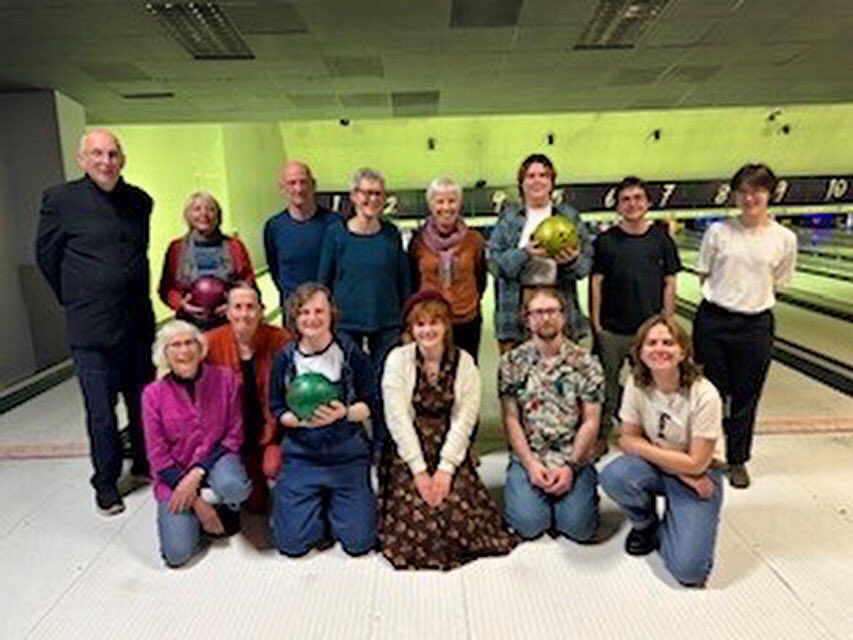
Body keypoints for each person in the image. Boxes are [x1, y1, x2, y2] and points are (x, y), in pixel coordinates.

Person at [36, 129, 155, 516]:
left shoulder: (139, 201)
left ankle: (143, 464)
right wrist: (78, 298)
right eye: (98, 154)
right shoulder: (60, 200)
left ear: (123, 158)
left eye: (113, 154)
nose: (106, 161)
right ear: (82, 159)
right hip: (91, 328)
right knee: (102, 414)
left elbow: (140, 257)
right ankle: (106, 483)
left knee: (142, 404)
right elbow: (47, 259)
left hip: (136, 323)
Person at [380, 290, 518, 570]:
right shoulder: (398, 360)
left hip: (449, 449)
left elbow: (464, 420)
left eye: (435, 323)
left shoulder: (464, 363)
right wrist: (419, 471)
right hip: (410, 451)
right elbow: (398, 419)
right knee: (420, 524)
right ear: (411, 329)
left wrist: (446, 469)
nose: (427, 330)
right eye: (420, 324)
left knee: (459, 517)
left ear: (446, 326)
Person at [692, 163, 797, 489]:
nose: (750, 198)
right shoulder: (718, 232)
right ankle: (705, 455)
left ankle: (738, 460)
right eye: (744, 191)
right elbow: (704, 273)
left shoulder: (784, 238)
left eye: (758, 191)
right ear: (735, 194)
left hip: (756, 326)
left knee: (746, 397)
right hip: (714, 321)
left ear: (769, 194)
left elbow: (779, 279)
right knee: (708, 394)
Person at [600, 315, 724, 587]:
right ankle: (646, 525)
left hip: (703, 477)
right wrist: (682, 471)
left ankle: (678, 521)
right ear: (640, 352)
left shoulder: (705, 395)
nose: (659, 349)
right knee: (614, 475)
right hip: (675, 470)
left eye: (668, 342)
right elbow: (626, 440)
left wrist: (686, 469)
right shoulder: (636, 383)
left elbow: (698, 463)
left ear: (683, 351)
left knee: (689, 572)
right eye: (651, 343)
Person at [269, 284, 378, 557]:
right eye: (304, 312)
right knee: (291, 545)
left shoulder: (351, 353)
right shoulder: (285, 358)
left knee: (359, 543)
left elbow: (372, 403)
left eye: (319, 310)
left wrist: (345, 413)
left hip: (346, 455)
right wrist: (299, 421)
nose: (312, 318)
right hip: (302, 456)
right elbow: (277, 407)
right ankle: (319, 505)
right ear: (294, 317)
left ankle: (337, 503)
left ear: (332, 314)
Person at [142, 321, 252, 568]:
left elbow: (234, 435)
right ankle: (199, 514)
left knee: (235, 486)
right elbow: (158, 456)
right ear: (165, 354)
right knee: (178, 555)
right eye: (175, 345)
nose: (184, 351)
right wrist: (199, 506)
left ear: (200, 347)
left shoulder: (225, 379)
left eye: (189, 342)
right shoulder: (152, 395)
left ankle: (227, 507)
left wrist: (198, 472)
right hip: (174, 474)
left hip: (216, 460)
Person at [498, 287, 604, 542]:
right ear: (528, 319)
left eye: (551, 311)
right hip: (531, 455)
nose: (545, 318)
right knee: (530, 526)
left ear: (563, 316)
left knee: (579, 529)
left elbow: (591, 421)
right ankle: (535, 494)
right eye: (538, 312)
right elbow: (511, 418)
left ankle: (573, 494)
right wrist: (531, 464)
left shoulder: (586, 363)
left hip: (573, 456)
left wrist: (570, 467)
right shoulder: (512, 362)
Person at [590, 176, 681, 442]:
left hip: (649, 330)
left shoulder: (661, 240)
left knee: (651, 385)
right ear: (617, 206)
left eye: (638, 198)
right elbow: (597, 283)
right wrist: (596, 325)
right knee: (605, 386)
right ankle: (602, 434)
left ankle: (652, 434)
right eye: (625, 200)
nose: (632, 204)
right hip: (612, 330)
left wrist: (668, 322)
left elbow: (669, 282)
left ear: (648, 203)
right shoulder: (605, 241)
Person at [488, 154, 592, 353]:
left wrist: (571, 261)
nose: (537, 180)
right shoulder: (509, 217)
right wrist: (524, 253)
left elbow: (585, 266)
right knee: (517, 373)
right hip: (517, 304)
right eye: (531, 176)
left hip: (559, 298)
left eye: (543, 175)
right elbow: (494, 263)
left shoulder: (569, 216)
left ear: (552, 183)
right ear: (522, 183)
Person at [205, 282, 292, 512]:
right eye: (238, 307)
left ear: (261, 310)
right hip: (231, 437)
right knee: (250, 500)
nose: (244, 314)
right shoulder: (210, 343)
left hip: (270, 432)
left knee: (274, 468)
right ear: (227, 311)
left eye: (251, 307)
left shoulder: (279, 340)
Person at [318, 168, 411, 376]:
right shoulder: (336, 234)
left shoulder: (391, 234)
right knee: (352, 381)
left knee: (385, 382)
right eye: (365, 193)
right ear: (354, 196)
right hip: (347, 324)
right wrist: (326, 322)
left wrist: (407, 323)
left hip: (387, 323)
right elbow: (323, 282)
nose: (372, 199)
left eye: (377, 193)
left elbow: (403, 280)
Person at [408, 177, 487, 361]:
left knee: (465, 371)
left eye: (452, 201)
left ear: (459, 204)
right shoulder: (418, 242)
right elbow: (413, 281)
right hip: (430, 321)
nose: (446, 207)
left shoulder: (474, 240)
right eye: (440, 201)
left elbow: (480, 278)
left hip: (466, 318)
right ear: (431, 205)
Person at [158, 191, 255, 330]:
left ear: (218, 216)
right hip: (189, 323)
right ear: (188, 216)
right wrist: (181, 304)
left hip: (230, 321)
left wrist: (234, 304)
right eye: (197, 209)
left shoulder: (234, 246)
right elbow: (167, 288)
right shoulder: (177, 248)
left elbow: (248, 282)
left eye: (210, 209)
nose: (204, 214)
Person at [264, 161, 338, 309]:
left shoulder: (335, 224)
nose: (299, 189)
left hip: (327, 308)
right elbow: (274, 268)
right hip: (293, 308)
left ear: (313, 185)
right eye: (292, 183)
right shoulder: (274, 226)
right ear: (282, 188)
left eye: (303, 182)